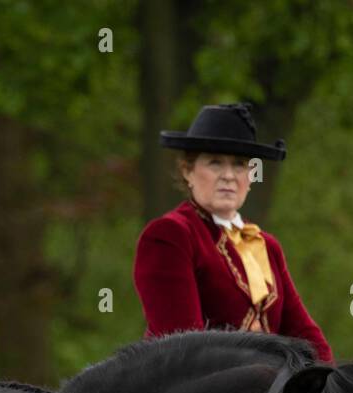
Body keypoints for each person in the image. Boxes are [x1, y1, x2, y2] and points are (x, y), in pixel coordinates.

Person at [134, 102, 333, 362]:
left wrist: (331, 381)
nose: (228, 175)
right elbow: (183, 347)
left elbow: (303, 332)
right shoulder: (169, 235)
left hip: (265, 390)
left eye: (239, 165)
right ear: (188, 171)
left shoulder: (266, 245)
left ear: (251, 176)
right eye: (215, 163)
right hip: (187, 389)